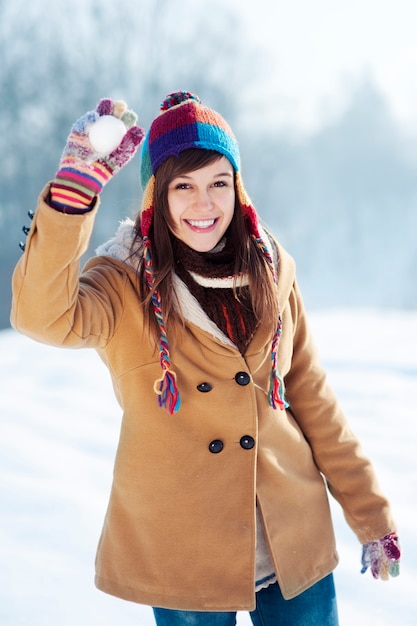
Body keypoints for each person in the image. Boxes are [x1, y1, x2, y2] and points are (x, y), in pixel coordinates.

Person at [11, 91, 400, 625]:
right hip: (184, 552)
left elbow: (310, 396)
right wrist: (71, 202)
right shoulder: (125, 283)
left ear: (237, 187)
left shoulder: (272, 265)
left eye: (219, 182)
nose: (204, 203)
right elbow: (42, 316)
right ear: (156, 196)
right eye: (184, 186)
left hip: (294, 546)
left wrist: (372, 515)